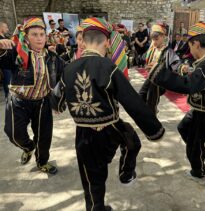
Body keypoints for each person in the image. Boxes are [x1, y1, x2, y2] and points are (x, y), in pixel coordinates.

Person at [51, 17, 165, 211]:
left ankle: (96, 208)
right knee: (132, 143)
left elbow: (56, 98)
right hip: (111, 127)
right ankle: (126, 174)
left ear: (83, 40)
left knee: (91, 177)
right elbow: (132, 101)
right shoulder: (108, 68)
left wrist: (58, 106)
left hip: (83, 134)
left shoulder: (69, 69)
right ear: (106, 42)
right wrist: (155, 129)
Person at [149, 22, 205, 183]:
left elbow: (187, 85)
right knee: (183, 128)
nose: (189, 51)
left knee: (192, 143)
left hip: (204, 113)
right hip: (203, 109)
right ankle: (202, 152)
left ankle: (199, 172)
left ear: (196, 43)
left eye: (190, 46)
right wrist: (188, 70)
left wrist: (158, 73)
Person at [0, 17, 65, 174]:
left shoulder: (52, 57)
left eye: (42, 34)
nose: (39, 38)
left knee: (44, 136)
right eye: (34, 34)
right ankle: (28, 147)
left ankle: (42, 162)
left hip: (42, 102)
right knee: (13, 133)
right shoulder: (17, 53)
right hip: (18, 101)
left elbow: (67, 75)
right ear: (26, 37)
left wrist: (59, 102)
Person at [139, 24, 181, 115]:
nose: (154, 42)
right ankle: (148, 112)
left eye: (156, 39)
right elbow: (143, 58)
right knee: (141, 94)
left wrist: (181, 68)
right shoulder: (152, 49)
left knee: (151, 100)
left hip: (159, 81)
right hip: (151, 77)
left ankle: (152, 119)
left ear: (163, 37)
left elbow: (177, 63)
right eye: (152, 39)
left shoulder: (168, 51)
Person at [0, 22, 11, 98]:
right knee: (8, 84)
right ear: (1, 28)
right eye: (6, 27)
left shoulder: (4, 37)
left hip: (9, 64)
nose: (7, 29)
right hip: (4, 66)